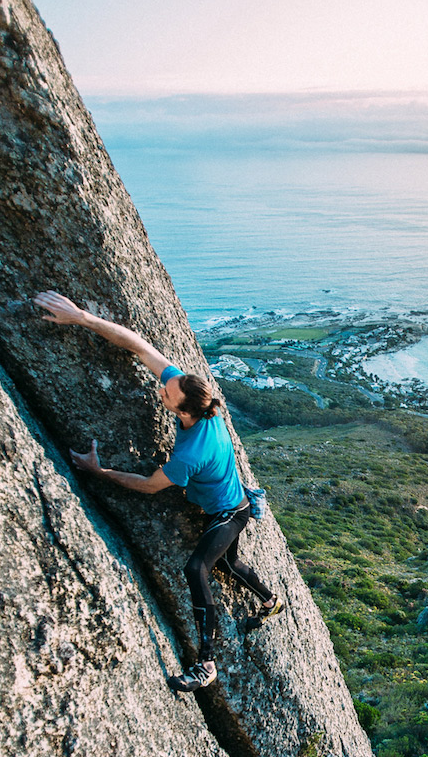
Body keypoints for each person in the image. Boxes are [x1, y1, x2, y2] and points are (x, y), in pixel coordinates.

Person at [34, 289, 282, 692]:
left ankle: (206, 663)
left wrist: (99, 472)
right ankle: (272, 602)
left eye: (166, 394)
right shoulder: (192, 396)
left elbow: (150, 486)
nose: (161, 389)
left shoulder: (190, 454)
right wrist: (81, 317)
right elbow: (138, 344)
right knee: (228, 564)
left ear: (183, 410)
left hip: (229, 512)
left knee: (197, 567)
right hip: (226, 501)